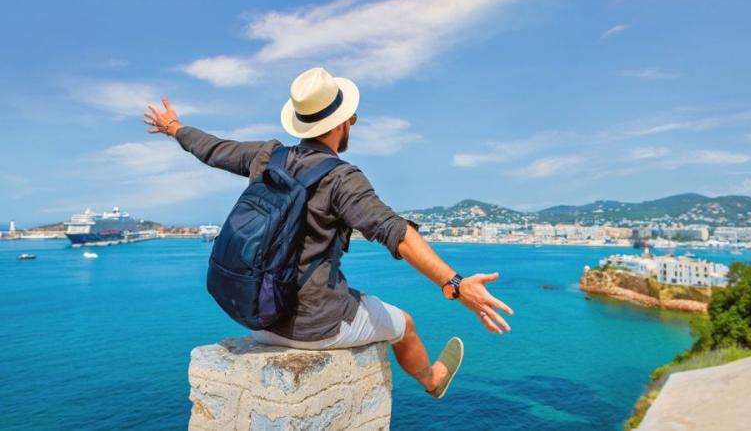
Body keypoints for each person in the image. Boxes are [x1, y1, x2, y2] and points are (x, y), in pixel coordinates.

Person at [143, 67, 513, 399]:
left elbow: (213, 149)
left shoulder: (267, 156)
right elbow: (395, 232)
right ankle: (433, 380)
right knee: (405, 325)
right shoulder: (341, 178)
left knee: (360, 299)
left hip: (257, 317)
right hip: (314, 326)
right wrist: (456, 284)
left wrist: (174, 128)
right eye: (351, 118)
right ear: (341, 124)